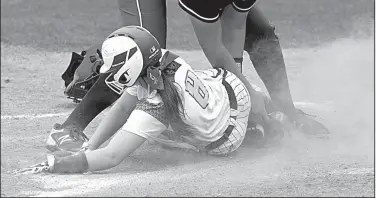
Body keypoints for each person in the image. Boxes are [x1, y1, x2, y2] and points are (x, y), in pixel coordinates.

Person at [47, 0, 329, 152]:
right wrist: (246, 95)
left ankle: (290, 112)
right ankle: (70, 126)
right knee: (145, 52)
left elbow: (234, 26)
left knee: (262, 35)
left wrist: (240, 93)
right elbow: (215, 50)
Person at [16, 26, 288, 175]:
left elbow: (112, 157)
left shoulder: (156, 104)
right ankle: (269, 111)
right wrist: (89, 145)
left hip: (226, 138)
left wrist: (62, 164)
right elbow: (123, 104)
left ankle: (257, 130)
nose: (108, 72)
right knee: (202, 90)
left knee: (157, 136)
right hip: (230, 88)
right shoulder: (159, 59)